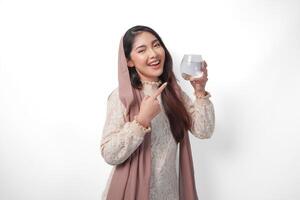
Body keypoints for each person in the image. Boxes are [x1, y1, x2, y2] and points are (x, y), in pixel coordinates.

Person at [100, 25, 215, 200]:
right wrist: (141, 120)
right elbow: (109, 153)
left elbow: (204, 131)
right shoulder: (122, 97)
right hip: (131, 193)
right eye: (142, 50)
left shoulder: (174, 94)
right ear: (129, 61)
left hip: (168, 193)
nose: (153, 54)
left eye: (156, 45)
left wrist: (200, 91)